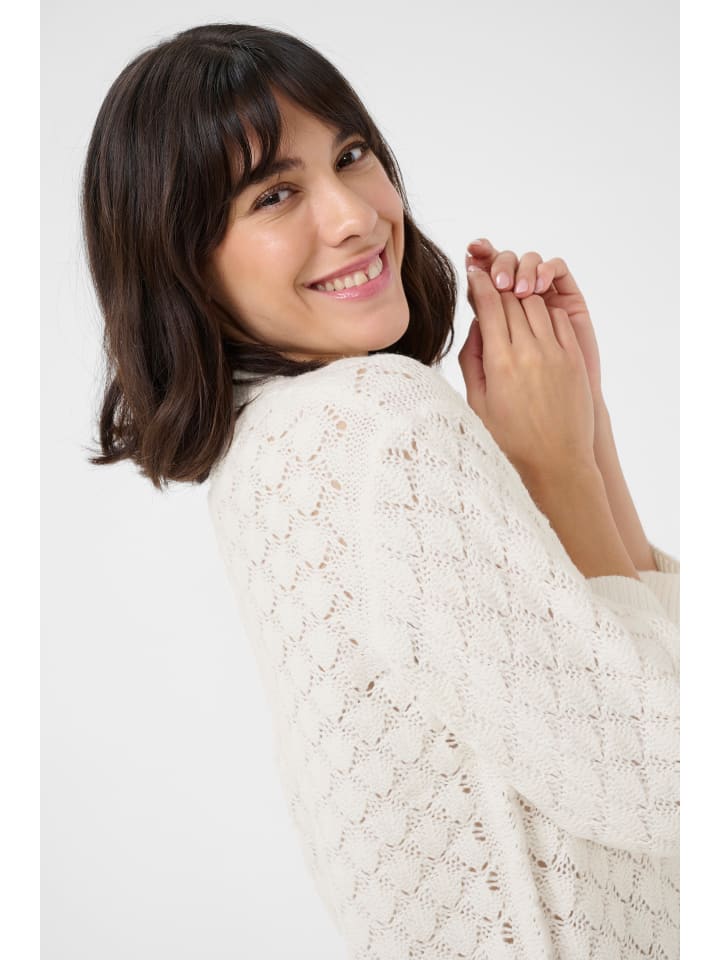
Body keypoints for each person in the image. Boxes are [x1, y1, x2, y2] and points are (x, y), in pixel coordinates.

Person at [82, 22, 680, 960]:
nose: (355, 216)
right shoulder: (379, 424)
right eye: (274, 194)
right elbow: (668, 776)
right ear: (184, 264)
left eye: (351, 155)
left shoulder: (271, 448)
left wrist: (584, 427)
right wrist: (561, 469)